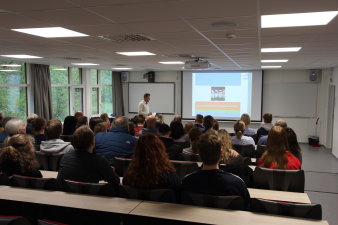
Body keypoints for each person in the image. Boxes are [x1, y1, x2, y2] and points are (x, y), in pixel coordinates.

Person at [182, 132, 250, 209]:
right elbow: (246, 208)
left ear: (199, 154)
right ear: (221, 154)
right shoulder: (237, 184)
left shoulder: (187, 181)